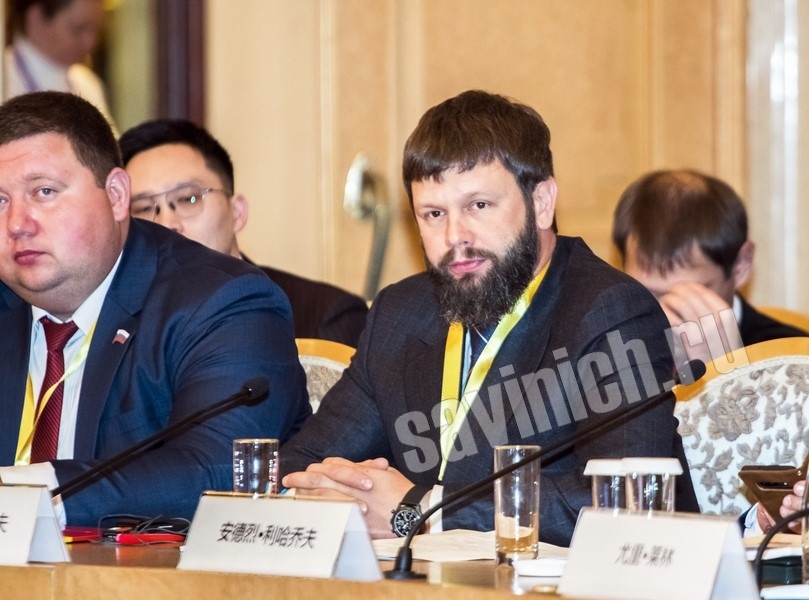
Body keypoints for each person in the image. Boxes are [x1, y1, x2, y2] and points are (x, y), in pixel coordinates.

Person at [280, 90, 698, 547]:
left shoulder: (612, 311)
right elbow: (303, 462)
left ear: (542, 202)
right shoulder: (401, 312)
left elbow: (624, 502)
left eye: (478, 206)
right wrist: (340, 493)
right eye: (433, 214)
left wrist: (421, 510)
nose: (455, 236)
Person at [0, 91, 310, 526]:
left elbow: (216, 471)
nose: (17, 224)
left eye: (44, 192)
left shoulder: (223, 302)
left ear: (116, 195)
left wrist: (22, 496)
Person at [118, 119, 369, 347]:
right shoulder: (119, 327)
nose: (166, 224)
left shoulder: (322, 317)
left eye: (188, 199)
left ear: (237, 213)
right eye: (143, 208)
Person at [612, 169, 807, 368]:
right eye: (647, 294)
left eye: (688, 295)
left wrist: (726, 373)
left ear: (741, 266)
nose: (666, 318)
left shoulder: (795, 359)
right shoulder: (604, 345)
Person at [3, 0, 115, 128]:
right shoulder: (5, 79)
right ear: (36, 19)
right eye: (78, 29)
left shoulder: (87, 83)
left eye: (97, 30)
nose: (90, 42)